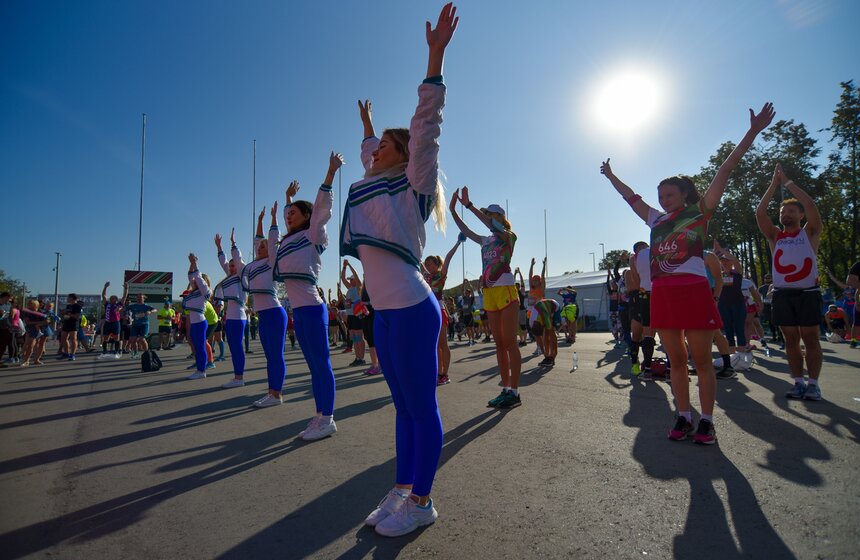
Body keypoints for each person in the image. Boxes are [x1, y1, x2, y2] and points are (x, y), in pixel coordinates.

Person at [340, 3, 456, 537]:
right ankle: (404, 486)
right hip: (384, 314)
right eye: (375, 146)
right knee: (402, 407)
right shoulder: (370, 183)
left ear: (403, 154)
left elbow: (425, 125)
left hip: (411, 307)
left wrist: (435, 58)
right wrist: (369, 127)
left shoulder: (413, 181)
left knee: (421, 405)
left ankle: (423, 501)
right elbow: (370, 148)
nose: (374, 151)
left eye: (385, 146)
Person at [601, 101, 775, 444]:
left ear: (684, 194)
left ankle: (706, 420)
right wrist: (610, 176)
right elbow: (630, 197)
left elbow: (725, 169)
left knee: (701, 360)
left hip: (693, 291)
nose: (663, 200)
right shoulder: (656, 220)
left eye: (669, 194)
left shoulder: (700, 212)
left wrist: (752, 132)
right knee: (676, 360)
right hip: (664, 294)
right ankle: (683, 415)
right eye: (660, 195)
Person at [272, 157, 341, 440]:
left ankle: (328, 419)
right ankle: (320, 414)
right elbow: (289, 215)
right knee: (313, 367)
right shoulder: (289, 240)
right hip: (298, 313)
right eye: (287, 214)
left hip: (312, 309)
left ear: (307, 216)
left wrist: (330, 173)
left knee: (322, 365)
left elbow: (321, 210)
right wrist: (288, 199)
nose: (288, 216)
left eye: (294, 213)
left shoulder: (313, 234)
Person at [756, 163, 824, 400]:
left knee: (810, 338)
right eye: (783, 212)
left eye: (792, 211)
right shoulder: (776, 235)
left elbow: (811, 205)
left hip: (808, 292)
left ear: (801, 215)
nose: (786, 214)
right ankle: (798, 382)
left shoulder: (810, 232)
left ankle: (813, 384)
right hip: (783, 294)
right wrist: (772, 186)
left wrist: (787, 182)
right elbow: (760, 214)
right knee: (791, 340)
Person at [450, 187, 522, 408]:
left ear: (500, 217)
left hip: (506, 289)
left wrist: (469, 206)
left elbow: (492, 226)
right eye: (487, 214)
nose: (488, 217)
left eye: (491, 214)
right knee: (499, 343)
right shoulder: (486, 240)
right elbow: (466, 230)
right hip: (489, 293)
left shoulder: (509, 236)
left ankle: (515, 392)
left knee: (510, 342)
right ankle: (505, 389)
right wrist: (453, 211)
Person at [245, 206, 288, 407]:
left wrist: (273, 218)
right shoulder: (254, 265)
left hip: (275, 313)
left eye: (263, 247)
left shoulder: (271, 261)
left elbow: (272, 240)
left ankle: (276, 394)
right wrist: (260, 220)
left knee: (276, 355)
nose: (259, 249)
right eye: (258, 248)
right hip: (263, 315)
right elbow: (258, 240)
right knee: (270, 357)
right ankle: (271, 392)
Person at [422, 235, 463, 385]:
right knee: (434, 345)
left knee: (442, 344)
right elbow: (417, 261)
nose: (427, 266)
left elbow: (448, 257)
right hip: (429, 310)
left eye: (430, 264)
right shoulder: (427, 276)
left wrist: (458, 243)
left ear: (436, 264)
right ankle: (438, 372)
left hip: (439, 310)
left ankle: (445, 374)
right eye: (426, 264)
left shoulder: (441, 274)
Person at [215, 228, 249, 387]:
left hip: (239, 317)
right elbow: (223, 262)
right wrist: (219, 247)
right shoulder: (229, 277)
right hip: (231, 317)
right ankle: (237, 377)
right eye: (230, 266)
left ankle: (239, 378)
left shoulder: (241, 275)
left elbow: (237, 259)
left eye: (234, 265)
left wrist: (233, 243)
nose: (231, 267)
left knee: (237, 348)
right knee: (234, 347)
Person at [628, 241, 655, 376]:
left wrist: (642, 289)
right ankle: (669, 369)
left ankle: (640, 367)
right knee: (665, 332)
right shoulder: (655, 251)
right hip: (656, 292)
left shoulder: (634, 258)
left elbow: (635, 281)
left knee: (639, 335)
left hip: (642, 296)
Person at [182, 254, 211, 379]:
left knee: (200, 347)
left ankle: (201, 371)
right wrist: (192, 264)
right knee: (197, 347)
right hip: (195, 323)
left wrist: (195, 264)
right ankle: (200, 369)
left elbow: (197, 278)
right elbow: (191, 275)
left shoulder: (204, 292)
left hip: (199, 323)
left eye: (196, 280)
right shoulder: (194, 292)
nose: (193, 281)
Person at [341, 261, 366, 366]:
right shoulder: (350, 288)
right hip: (350, 315)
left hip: (357, 315)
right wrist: (344, 267)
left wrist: (349, 265)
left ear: (355, 279)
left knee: (359, 337)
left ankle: (361, 358)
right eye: (350, 280)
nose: (350, 281)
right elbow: (343, 279)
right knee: (354, 337)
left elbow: (355, 274)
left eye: (351, 279)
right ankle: (357, 357)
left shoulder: (359, 287)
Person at [99, 281, 127, 359]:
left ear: (116, 300)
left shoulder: (118, 305)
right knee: (105, 338)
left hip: (116, 323)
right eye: (111, 298)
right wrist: (105, 287)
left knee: (117, 338)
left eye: (113, 298)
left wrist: (126, 289)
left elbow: (124, 297)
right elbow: (104, 296)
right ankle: (104, 351)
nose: (111, 299)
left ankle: (116, 351)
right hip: (107, 323)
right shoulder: (107, 304)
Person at [531, 298, 560, 366]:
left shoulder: (545, 319)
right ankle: (547, 356)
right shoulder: (531, 322)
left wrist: (554, 354)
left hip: (554, 306)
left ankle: (552, 357)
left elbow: (553, 337)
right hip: (542, 309)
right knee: (545, 335)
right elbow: (538, 338)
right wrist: (545, 355)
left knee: (549, 332)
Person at [126, 293, 155, 359]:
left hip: (144, 325)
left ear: (143, 299)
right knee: (133, 340)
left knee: (142, 339)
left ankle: (147, 354)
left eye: (141, 297)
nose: (139, 299)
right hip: (135, 325)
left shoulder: (146, 306)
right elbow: (125, 309)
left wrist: (150, 312)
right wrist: (125, 314)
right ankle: (135, 354)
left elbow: (155, 309)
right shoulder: (133, 306)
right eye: (138, 297)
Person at [59, 293, 83, 361]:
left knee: (73, 339)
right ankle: (66, 353)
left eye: (68, 297)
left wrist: (70, 314)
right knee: (63, 338)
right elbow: (66, 315)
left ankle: (72, 355)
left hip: (74, 324)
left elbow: (77, 316)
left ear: (72, 298)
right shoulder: (68, 306)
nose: (67, 299)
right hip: (66, 323)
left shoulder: (78, 306)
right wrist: (63, 313)